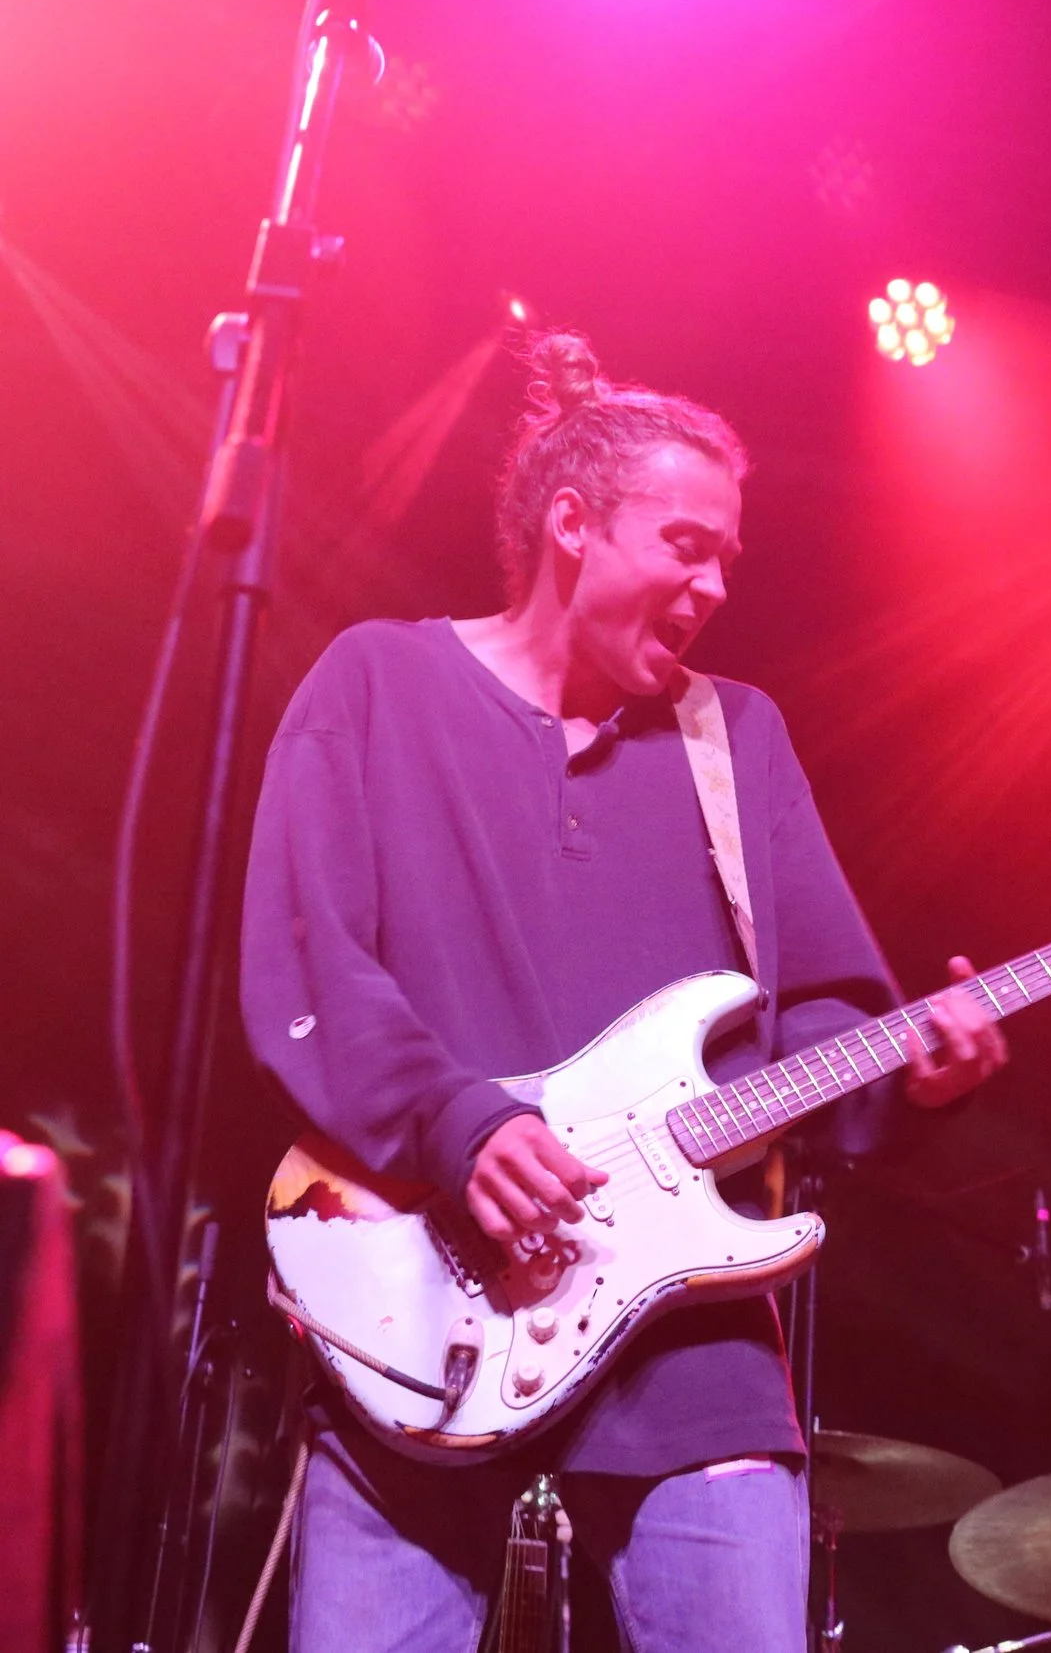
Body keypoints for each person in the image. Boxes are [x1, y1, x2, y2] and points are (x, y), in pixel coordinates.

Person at [241, 331, 1008, 1650]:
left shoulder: (737, 736)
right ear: (573, 524)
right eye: (687, 544)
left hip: (686, 1343)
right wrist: (462, 1123)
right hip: (417, 1297)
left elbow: (818, 1012)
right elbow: (312, 952)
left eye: (729, 556)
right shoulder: (378, 682)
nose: (714, 583)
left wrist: (911, 1077)